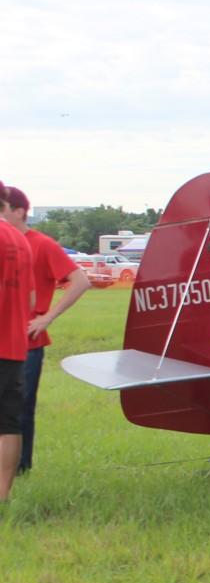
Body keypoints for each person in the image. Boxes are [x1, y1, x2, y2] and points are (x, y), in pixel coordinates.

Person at [1, 185, 89, 473]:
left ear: (19, 211)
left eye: (5, 208)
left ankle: (20, 468)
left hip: (26, 339)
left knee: (19, 410)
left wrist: (46, 317)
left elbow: (80, 281)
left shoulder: (41, 244)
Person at [0, 183, 34, 500]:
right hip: (14, 346)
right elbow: (32, 295)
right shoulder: (19, 240)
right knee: (8, 423)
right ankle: (3, 493)